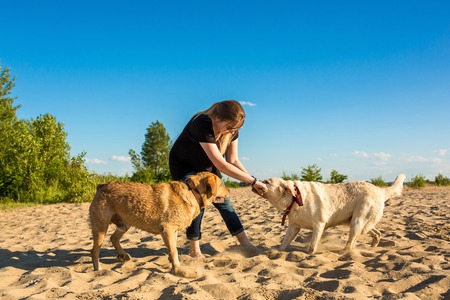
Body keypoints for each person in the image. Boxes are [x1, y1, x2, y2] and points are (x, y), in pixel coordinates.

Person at [169, 100, 267, 258]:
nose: (231, 132)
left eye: (235, 129)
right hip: (184, 166)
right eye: (229, 127)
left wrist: (252, 180)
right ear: (217, 118)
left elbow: (233, 160)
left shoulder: (232, 130)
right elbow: (221, 164)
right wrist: (252, 181)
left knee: (225, 202)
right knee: (197, 201)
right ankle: (194, 249)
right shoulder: (201, 122)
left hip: (207, 166)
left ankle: (246, 244)